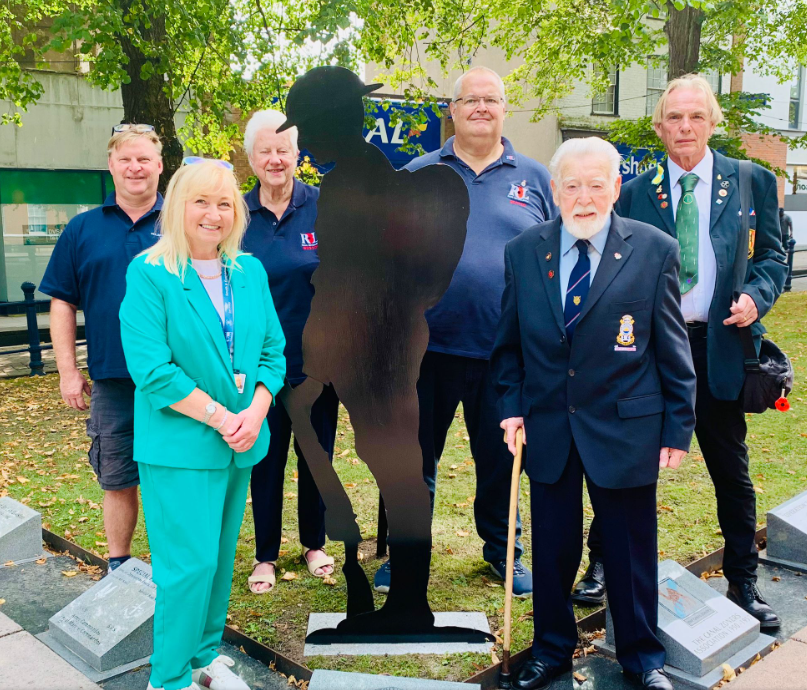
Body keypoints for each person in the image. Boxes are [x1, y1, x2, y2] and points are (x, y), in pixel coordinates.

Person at [579, 75, 788, 630]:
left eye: (697, 116)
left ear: (713, 123)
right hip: (647, 354)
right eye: (675, 117)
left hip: (717, 346)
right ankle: (601, 561)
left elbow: (773, 255)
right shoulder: (638, 192)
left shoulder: (753, 182)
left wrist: (756, 296)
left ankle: (743, 578)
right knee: (623, 461)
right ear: (659, 125)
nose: (686, 127)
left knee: (730, 468)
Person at [492, 137, 696, 690]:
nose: (584, 198)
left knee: (630, 553)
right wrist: (512, 407)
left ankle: (642, 658)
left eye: (596, 185)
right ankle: (551, 650)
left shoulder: (654, 250)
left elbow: (672, 349)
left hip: (627, 426)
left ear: (614, 189)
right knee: (553, 551)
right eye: (572, 186)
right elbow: (508, 347)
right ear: (554, 190)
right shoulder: (524, 251)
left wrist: (678, 426)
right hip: (550, 426)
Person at [375, 66, 557, 597]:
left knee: (503, 461)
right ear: (450, 110)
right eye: (469, 100)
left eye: (491, 99)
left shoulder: (537, 178)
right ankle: (405, 554)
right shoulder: (416, 174)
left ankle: (503, 551)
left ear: (505, 109)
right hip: (423, 350)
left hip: (505, 351)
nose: (480, 107)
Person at [119, 159, 286, 690]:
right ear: (177, 206)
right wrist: (221, 417)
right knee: (185, 569)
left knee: (215, 563)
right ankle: (167, 680)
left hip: (240, 440)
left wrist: (255, 412)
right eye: (201, 201)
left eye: (225, 203)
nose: (213, 214)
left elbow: (271, 352)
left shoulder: (249, 271)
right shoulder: (150, 272)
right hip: (181, 446)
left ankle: (202, 659)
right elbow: (152, 370)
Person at [40, 124, 164, 572]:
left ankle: (175, 569)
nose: (135, 167)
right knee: (117, 478)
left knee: (173, 479)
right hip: (113, 380)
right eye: (126, 159)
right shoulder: (81, 230)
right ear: (111, 165)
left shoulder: (184, 223)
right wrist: (67, 371)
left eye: (144, 159)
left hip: (178, 380)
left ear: (159, 166)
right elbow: (62, 303)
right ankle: (120, 566)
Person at [240, 109, 336, 594]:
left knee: (316, 456)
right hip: (256, 366)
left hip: (317, 362)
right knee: (266, 457)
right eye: (265, 151)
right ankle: (266, 555)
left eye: (283, 149)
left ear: (298, 155)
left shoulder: (325, 207)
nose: (275, 159)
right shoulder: (234, 214)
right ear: (250, 157)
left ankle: (315, 543)